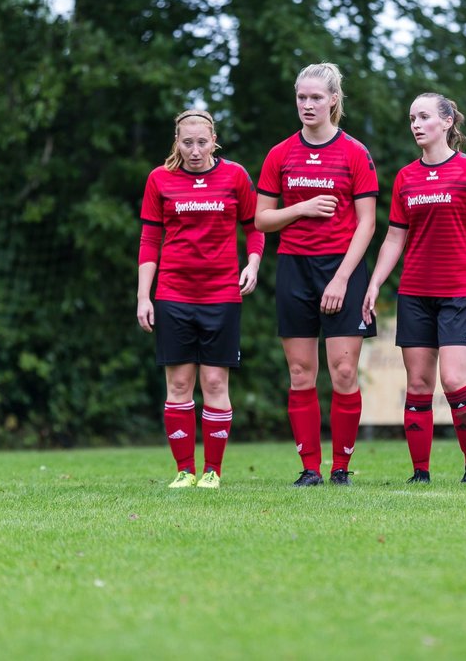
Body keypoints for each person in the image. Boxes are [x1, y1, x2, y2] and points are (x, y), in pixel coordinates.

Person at [256, 63, 378, 486]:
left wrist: (343, 277)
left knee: (343, 372)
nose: (307, 105)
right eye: (301, 98)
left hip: (342, 268)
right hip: (295, 267)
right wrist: (302, 209)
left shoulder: (355, 153)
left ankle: (340, 469)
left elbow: (367, 223)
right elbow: (261, 220)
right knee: (300, 373)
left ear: (333, 101)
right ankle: (309, 469)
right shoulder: (280, 154)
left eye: (315, 98)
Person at [362, 93, 466, 484]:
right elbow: (393, 238)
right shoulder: (406, 176)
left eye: (424, 117)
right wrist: (374, 283)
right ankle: (420, 473)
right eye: (411, 118)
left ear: (447, 122)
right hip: (415, 293)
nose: (416, 124)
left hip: (458, 293)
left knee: (454, 380)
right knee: (418, 384)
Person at [137, 109, 264, 490]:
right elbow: (148, 241)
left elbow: (254, 227)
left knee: (213, 383)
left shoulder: (235, 176)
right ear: (177, 141)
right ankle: (184, 471)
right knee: (178, 385)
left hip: (221, 295)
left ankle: (212, 472)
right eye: (187, 142)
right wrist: (144, 296)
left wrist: (253, 265)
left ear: (214, 141)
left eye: (201, 142)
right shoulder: (159, 179)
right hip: (173, 295)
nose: (194, 150)